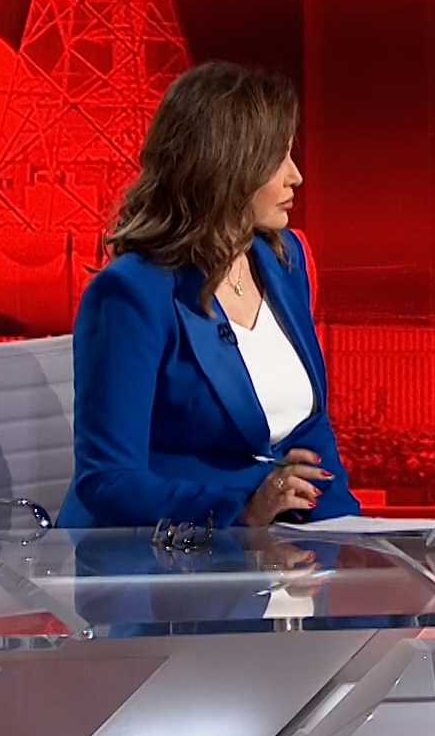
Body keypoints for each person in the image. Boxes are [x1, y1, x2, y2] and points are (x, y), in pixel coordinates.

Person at [57, 61, 360, 528]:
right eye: (277, 160)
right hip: (163, 558)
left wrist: (352, 535)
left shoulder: (285, 261)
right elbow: (108, 482)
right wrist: (243, 510)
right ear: (227, 169)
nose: (296, 176)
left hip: (275, 546)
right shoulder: (131, 294)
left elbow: (310, 430)